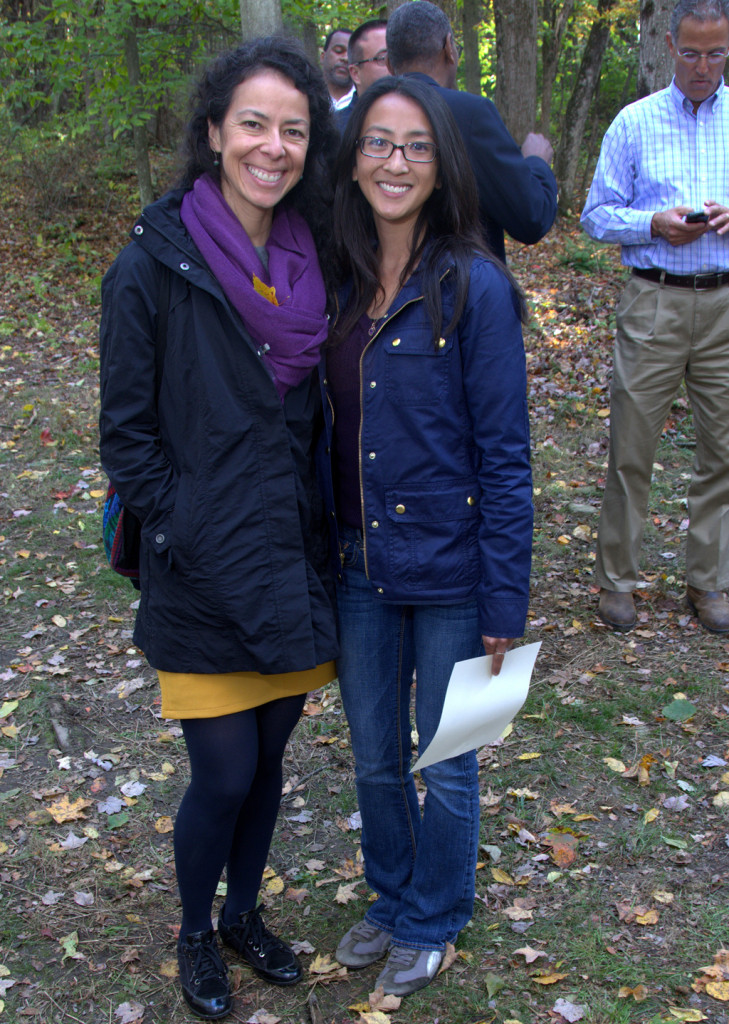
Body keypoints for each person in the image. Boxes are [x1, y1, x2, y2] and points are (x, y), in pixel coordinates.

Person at [99, 38, 339, 1020]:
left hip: (291, 555)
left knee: (271, 759)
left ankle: (246, 912)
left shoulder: (315, 252)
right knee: (224, 767)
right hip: (201, 566)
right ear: (212, 132)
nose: (272, 145)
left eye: (292, 127)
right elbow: (128, 439)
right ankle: (197, 927)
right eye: (253, 122)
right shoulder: (151, 265)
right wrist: (188, 522)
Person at [324, 76, 533, 996]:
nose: (395, 162)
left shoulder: (478, 286)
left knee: (450, 761)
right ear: (354, 156)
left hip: (456, 570)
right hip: (357, 564)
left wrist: (505, 601)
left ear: (441, 163)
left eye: (414, 145)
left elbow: (506, 458)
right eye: (377, 142)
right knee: (373, 755)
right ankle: (393, 895)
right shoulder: (331, 279)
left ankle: (437, 914)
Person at [581, 0, 729, 634]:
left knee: (722, 450)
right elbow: (594, 214)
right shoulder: (634, 122)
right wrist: (651, 223)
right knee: (631, 448)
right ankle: (617, 580)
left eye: (716, 53)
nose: (703, 67)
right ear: (669, 45)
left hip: (725, 302)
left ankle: (711, 583)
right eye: (691, 52)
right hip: (654, 299)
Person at [385, 0, 557, 262]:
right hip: (460, 290)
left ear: (388, 63)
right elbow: (530, 218)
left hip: (377, 290)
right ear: (449, 48)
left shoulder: (358, 116)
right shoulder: (471, 115)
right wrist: (536, 162)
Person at [335, 19, 390, 129]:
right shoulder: (334, 129)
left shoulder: (421, 118)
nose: (394, 67)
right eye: (383, 59)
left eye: (397, 57)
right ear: (355, 73)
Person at [321, 28, 355, 109]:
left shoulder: (366, 102)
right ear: (323, 57)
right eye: (339, 51)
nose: (346, 58)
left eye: (351, 54)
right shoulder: (307, 97)